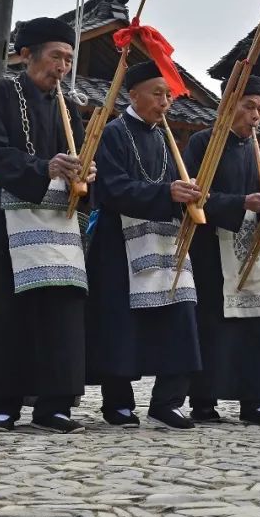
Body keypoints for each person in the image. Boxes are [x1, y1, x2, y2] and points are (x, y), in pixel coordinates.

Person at [0, 17, 94, 432]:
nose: (62, 67)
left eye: (68, 59)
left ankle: (55, 404)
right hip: (4, 213)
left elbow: (77, 157)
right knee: (5, 308)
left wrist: (83, 176)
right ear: (27, 55)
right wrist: (44, 166)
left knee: (59, 308)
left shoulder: (69, 107)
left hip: (56, 221)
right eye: (56, 56)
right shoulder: (1, 93)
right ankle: (2, 404)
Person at [85, 60, 203, 430]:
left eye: (169, 95)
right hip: (118, 241)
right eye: (157, 93)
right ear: (133, 94)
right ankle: (118, 403)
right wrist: (166, 192)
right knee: (121, 323)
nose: (165, 102)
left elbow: (173, 184)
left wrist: (189, 194)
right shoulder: (113, 133)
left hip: (165, 241)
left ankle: (168, 402)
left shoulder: (167, 137)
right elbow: (110, 188)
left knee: (181, 316)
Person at [182, 75, 260, 427]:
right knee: (213, 324)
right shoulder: (202, 143)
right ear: (229, 105)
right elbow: (195, 195)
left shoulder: (259, 150)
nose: (256, 115)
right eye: (249, 106)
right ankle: (204, 400)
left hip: (250, 247)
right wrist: (242, 202)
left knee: (257, 324)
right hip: (212, 245)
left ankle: (256, 401)